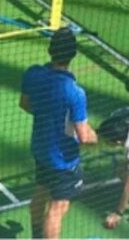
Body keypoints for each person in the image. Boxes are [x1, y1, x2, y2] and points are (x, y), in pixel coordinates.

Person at [20, 28, 98, 239]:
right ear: (73, 54)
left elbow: (25, 104)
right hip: (64, 161)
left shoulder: (33, 74)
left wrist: (49, 115)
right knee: (57, 208)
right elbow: (83, 136)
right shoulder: (75, 92)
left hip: (40, 149)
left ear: (50, 49)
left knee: (41, 190)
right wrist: (96, 137)